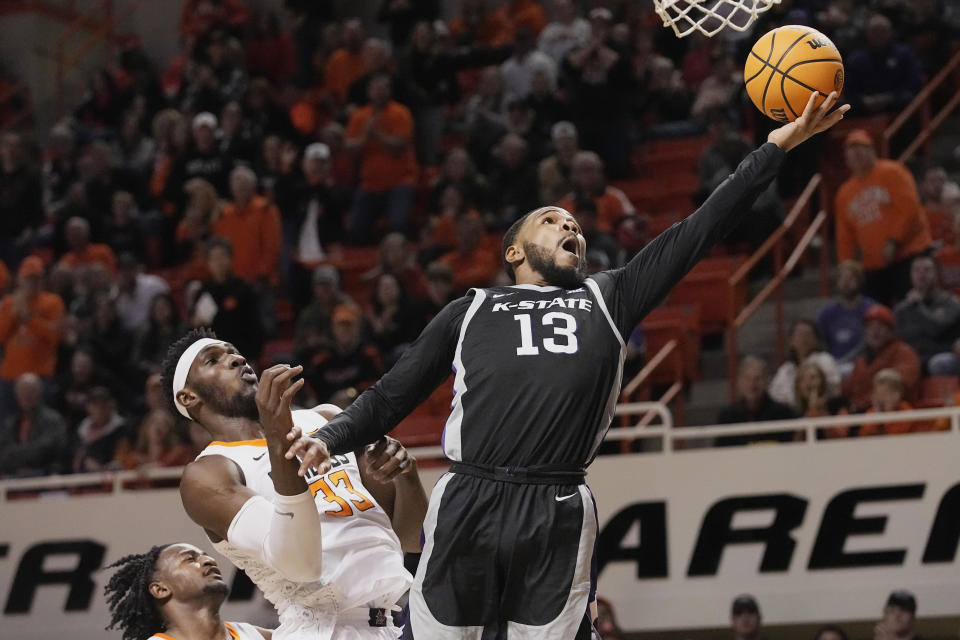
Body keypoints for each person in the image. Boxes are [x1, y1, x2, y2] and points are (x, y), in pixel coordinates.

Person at [289, 92, 849, 638]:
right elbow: (392, 396)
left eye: (576, 227)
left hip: (555, 503)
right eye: (553, 221)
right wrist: (334, 435)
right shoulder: (472, 308)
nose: (571, 229)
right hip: (467, 497)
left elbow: (698, 230)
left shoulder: (611, 296)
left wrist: (775, 147)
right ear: (514, 252)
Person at [164, 327, 427, 637]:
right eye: (213, 360)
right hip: (320, 628)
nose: (235, 359)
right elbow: (299, 564)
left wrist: (407, 475)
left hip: (394, 623)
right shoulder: (209, 473)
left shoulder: (325, 420)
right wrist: (278, 437)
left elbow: (411, 541)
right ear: (188, 396)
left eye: (234, 352)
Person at [834, 129, 932, 306]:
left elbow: (910, 208)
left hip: (909, 254)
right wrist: (846, 264)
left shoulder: (893, 172)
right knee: (876, 314)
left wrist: (894, 239)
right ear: (847, 160)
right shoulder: (844, 193)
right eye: (852, 153)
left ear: (872, 151)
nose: (857, 156)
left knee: (913, 307)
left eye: (861, 150)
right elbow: (845, 235)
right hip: (874, 264)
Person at [104, 542, 269, 640]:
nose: (209, 560)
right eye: (190, 559)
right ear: (161, 589)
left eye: (205, 555)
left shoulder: (255, 634)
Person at [346, 74, 418, 243]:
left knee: (397, 227)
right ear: (369, 92)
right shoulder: (359, 116)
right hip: (370, 185)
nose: (379, 92)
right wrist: (365, 136)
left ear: (390, 91)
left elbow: (400, 146)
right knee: (356, 230)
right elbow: (350, 150)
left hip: (400, 182)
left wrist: (376, 134)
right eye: (376, 89)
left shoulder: (401, 113)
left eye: (383, 88)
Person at [0, 256, 65, 416]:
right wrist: (13, 315)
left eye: (36, 279)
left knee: (40, 425)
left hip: (40, 377)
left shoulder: (53, 302)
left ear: (42, 280)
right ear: (20, 279)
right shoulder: (9, 302)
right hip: (10, 376)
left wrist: (29, 319)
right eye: (28, 278)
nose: (32, 283)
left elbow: (54, 336)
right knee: (7, 428)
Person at [843, 305, 921, 412]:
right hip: (865, 417)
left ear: (891, 330)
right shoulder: (862, 360)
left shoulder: (904, 353)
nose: (875, 332)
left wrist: (861, 404)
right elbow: (848, 390)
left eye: (880, 327)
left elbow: (893, 387)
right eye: (870, 327)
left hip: (898, 416)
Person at [893, 255, 960, 375]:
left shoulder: (950, 302)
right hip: (911, 359)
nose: (921, 275)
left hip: (942, 356)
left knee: (938, 363)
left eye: (927, 270)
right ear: (910, 275)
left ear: (937, 274)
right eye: (916, 270)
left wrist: (917, 306)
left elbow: (935, 330)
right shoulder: (901, 309)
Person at [716, 355, 798, 445]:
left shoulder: (783, 414)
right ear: (739, 382)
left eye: (757, 379)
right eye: (747, 379)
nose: (752, 385)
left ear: (766, 382)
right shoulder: (727, 417)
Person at [0, 373, 67, 477]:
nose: (26, 396)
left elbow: (43, 452)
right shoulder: (11, 423)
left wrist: (15, 454)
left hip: (44, 476)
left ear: (39, 393)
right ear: (17, 396)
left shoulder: (53, 420)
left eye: (30, 391)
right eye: (22, 391)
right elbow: (3, 455)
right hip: (13, 479)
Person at [768, 320, 841, 409]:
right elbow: (774, 396)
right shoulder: (785, 369)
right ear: (791, 340)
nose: (804, 339)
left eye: (808, 334)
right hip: (791, 414)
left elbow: (835, 390)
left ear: (816, 340)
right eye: (800, 334)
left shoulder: (825, 359)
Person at [817, 260, 877, 363]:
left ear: (859, 281)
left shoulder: (872, 309)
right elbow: (820, 342)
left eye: (850, 278)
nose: (846, 283)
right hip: (834, 364)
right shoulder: (827, 313)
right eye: (842, 278)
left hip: (864, 363)